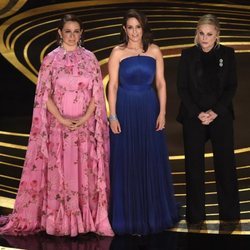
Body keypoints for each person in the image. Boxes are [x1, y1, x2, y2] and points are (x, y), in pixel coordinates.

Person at [0, 14, 114, 237]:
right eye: (68, 31)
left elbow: (97, 95)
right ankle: (59, 221)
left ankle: (86, 220)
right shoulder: (50, 59)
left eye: (76, 31)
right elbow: (44, 95)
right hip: (58, 128)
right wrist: (62, 119)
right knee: (61, 172)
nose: (72, 36)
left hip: (85, 127)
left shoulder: (90, 59)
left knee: (85, 171)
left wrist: (84, 118)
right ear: (59, 33)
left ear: (81, 34)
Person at [108, 9, 179, 235]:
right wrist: (112, 115)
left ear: (143, 28)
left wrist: (163, 113)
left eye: (138, 27)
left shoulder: (155, 51)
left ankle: (153, 213)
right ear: (124, 30)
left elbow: (160, 83)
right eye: (130, 27)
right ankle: (128, 216)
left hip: (150, 110)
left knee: (150, 158)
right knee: (127, 160)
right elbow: (112, 86)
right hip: (125, 110)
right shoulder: (117, 52)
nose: (134, 32)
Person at [176, 14, 240, 225]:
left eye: (209, 34)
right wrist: (197, 113)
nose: (204, 38)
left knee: (225, 166)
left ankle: (230, 215)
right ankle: (195, 216)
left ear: (217, 35)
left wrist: (215, 111)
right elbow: (182, 88)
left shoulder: (229, 54)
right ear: (197, 33)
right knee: (194, 168)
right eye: (201, 33)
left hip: (220, 117)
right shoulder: (187, 55)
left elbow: (231, 86)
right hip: (194, 118)